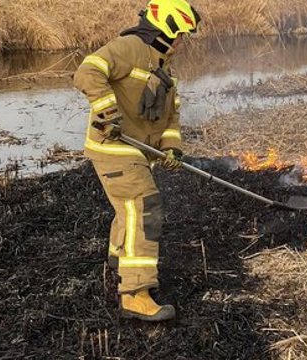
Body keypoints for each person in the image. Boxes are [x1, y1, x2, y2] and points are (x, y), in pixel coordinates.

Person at [73, 0, 201, 322]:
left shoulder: (164, 68)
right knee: (144, 208)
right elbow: (88, 71)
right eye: (181, 35)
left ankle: (119, 263)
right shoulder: (129, 47)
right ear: (167, 30)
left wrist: (172, 148)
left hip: (137, 152)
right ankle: (135, 294)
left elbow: (171, 117)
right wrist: (108, 113)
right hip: (115, 148)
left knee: (129, 210)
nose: (182, 42)